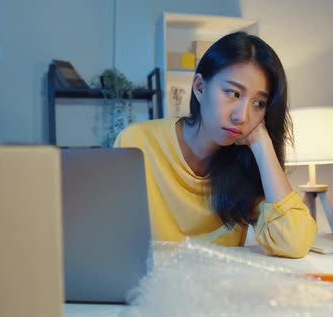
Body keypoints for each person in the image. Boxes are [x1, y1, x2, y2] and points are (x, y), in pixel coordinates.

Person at [114, 32, 316, 258]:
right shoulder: (136, 143)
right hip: (153, 287)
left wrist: (262, 145)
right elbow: (111, 236)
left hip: (217, 288)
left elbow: (293, 243)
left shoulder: (247, 165)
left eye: (258, 103)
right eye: (232, 93)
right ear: (199, 87)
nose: (242, 116)